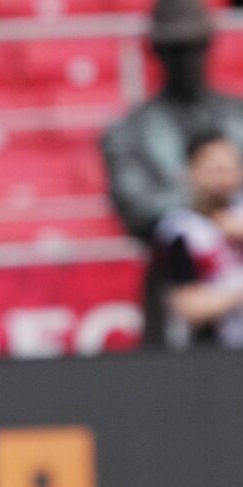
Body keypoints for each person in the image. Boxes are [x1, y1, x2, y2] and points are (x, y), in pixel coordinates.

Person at [100, 0, 243, 346]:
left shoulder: (237, 116)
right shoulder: (128, 131)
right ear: (156, 52)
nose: (186, 60)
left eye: (194, 47)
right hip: (178, 290)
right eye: (174, 49)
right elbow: (139, 210)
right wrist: (212, 203)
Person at [155, 130, 243, 348]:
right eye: (215, 169)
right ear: (193, 172)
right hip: (211, 350)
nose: (224, 178)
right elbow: (188, 306)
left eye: (230, 168)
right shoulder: (180, 230)